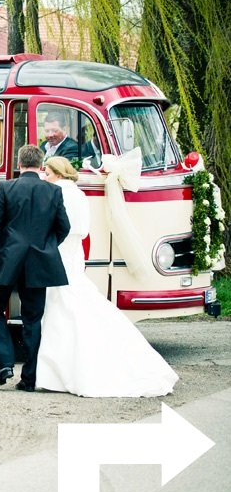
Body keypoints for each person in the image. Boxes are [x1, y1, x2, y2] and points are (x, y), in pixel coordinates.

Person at [35, 156, 178, 397]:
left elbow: (53, 225)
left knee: (59, 306)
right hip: (74, 252)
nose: (44, 176)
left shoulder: (56, 192)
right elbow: (82, 229)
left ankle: (58, 372)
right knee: (73, 300)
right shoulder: (79, 194)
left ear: (58, 173)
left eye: (47, 172)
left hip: (59, 250)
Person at [0, 144, 71, 390]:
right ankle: (29, 379)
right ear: (41, 166)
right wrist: (47, 246)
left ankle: (5, 362)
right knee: (32, 319)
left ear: (19, 164)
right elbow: (64, 228)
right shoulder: (53, 191)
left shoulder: (6, 187)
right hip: (39, 262)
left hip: (7, 260)